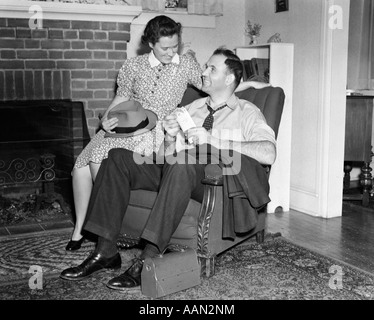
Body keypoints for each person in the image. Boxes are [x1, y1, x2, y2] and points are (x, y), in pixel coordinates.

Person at [60, 47, 276, 291]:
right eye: (205, 66)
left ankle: (149, 256)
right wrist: (171, 137)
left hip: (213, 182)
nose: (203, 72)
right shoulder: (192, 108)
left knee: (181, 164)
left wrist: (213, 140)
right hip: (178, 170)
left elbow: (269, 152)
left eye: (211, 68)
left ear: (229, 78)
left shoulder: (247, 112)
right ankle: (106, 251)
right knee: (117, 157)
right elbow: (164, 157)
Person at [66, 15, 269, 251]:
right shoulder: (140, 70)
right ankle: (90, 235)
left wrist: (249, 85)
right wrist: (106, 120)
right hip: (134, 125)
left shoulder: (190, 69)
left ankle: (125, 239)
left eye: (175, 46)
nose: (172, 52)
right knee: (86, 162)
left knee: (107, 158)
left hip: (162, 136)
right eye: (165, 47)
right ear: (151, 43)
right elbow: (122, 99)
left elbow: (216, 83)